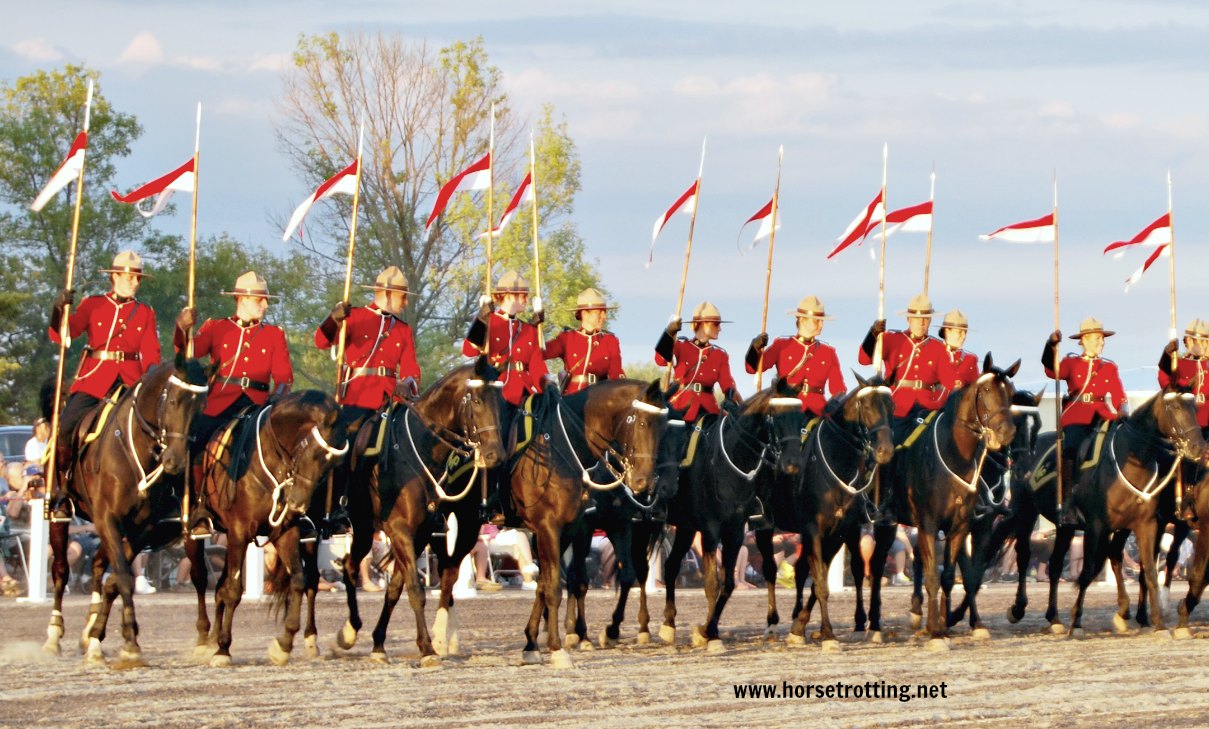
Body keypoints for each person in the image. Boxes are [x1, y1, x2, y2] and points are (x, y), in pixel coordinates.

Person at [176, 271, 294, 539]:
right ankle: (198, 507)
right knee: (193, 443)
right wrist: (182, 328)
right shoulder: (216, 328)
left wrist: (279, 397)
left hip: (259, 405)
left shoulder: (274, 334)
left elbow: (285, 378)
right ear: (242, 298)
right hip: (221, 403)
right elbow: (188, 355)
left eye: (265, 300)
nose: (265, 305)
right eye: (260, 300)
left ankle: (296, 510)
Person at [47, 250, 161, 522]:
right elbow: (63, 335)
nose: (135, 282)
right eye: (130, 276)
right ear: (115, 277)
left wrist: (151, 384)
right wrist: (58, 309)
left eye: (138, 278)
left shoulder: (145, 312)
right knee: (64, 429)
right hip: (95, 379)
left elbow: (152, 355)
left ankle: (159, 494)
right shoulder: (93, 304)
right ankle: (61, 490)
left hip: (131, 381)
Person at [315, 265, 421, 534]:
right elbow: (321, 341)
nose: (406, 301)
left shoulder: (403, 329)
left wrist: (409, 383)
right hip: (358, 398)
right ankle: (337, 505)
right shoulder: (357, 317)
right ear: (386, 293)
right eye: (402, 296)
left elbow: (411, 368)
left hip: (391, 401)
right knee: (342, 447)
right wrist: (334, 319)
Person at [463, 271, 549, 524]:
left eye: (525, 294)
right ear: (506, 296)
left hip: (524, 392)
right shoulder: (492, 321)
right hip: (497, 393)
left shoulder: (527, 329)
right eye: (521, 295)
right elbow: (469, 349)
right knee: (497, 443)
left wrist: (547, 385)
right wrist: (481, 319)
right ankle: (492, 501)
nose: (525, 299)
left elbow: (537, 366)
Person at [1043, 317, 1126, 525]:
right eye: (1097, 338)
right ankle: (1068, 500)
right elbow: (1052, 371)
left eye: (1102, 338)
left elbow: (1117, 394)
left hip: (1103, 414)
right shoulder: (1071, 362)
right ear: (1085, 340)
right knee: (1071, 447)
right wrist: (1051, 346)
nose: (1101, 342)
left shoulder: (1109, 367)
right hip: (1077, 413)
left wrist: (1123, 410)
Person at [858, 293, 948, 431]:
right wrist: (873, 334)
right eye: (917, 318)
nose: (921, 322)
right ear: (908, 318)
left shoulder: (939, 347)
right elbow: (863, 360)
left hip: (928, 409)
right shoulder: (892, 339)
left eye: (925, 318)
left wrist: (939, 404)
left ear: (930, 320)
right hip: (897, 406)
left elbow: (947, 384)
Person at [745, 295, 845, 416]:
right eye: (816, 320)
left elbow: (839, 389)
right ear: (802, 319)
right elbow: (752, 368)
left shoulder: (828, 352)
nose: (821, 325)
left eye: (822, 321)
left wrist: (834, 404)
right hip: (785, 410)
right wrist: (755, 348)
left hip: (818, 412)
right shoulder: (781, 345)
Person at [1157, 319, 1209, 519]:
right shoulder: (1179, 364)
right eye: (1199, 341)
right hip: (1186, 425)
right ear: (1187, 342)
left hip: (1208, 422)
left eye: (1206, 342)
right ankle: (1187, 498)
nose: (1203, 346)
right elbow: (1164, 378)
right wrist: (1168, 353)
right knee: (1188, 456)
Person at [655, 301, 740, 422]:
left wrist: (730, 399)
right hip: (680, 404)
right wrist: (669, 333)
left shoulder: (720, 354)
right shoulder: (680, 346)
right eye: (716, 324)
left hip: (709, 408)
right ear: (703, 324)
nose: (720, 328)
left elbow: (727, 384)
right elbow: (660, 360)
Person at [542, 287, 625, 394]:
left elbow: (616, 375)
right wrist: (535, 328)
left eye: (604, 312)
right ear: (585, 314)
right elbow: (541, 353)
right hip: (572, 397)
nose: (604, 317)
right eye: (599, 312)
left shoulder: (610, 340)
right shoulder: (567, 338)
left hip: (600, 397)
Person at [935, 309, 979, 408]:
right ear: (947, 331)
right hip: (931, 408)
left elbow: (975, 391)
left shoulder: (970, 359)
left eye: (965, 332)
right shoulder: (932, 352)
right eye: (959, 332)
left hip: (958, 412)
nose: (963, 336)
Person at [23, 417, 50, 488]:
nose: (48, 428)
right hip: (38, 474)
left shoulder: (49, 442)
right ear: (38, 428)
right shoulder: (32, 444)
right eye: (45, 427)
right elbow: (37, 464)